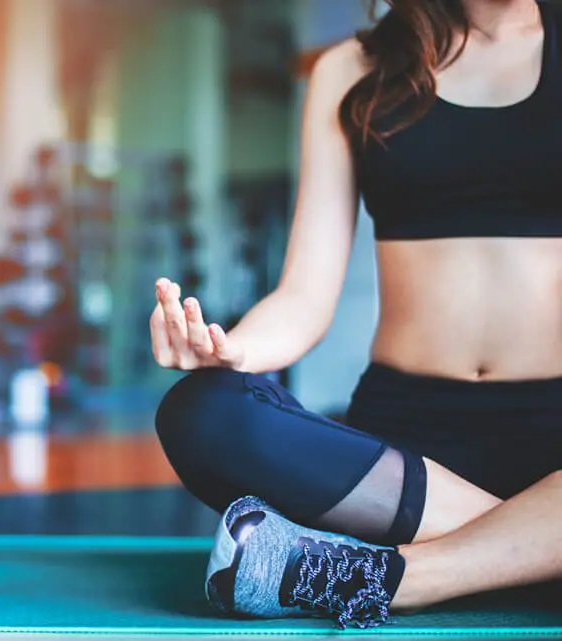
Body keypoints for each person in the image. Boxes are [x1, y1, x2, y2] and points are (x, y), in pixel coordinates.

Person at [152, 0, 562, 630]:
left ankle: (395, 576)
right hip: (405, 458)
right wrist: (232, 351)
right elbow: (305, 296)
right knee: (202, 413)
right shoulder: (352, 70)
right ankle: (529, 552)